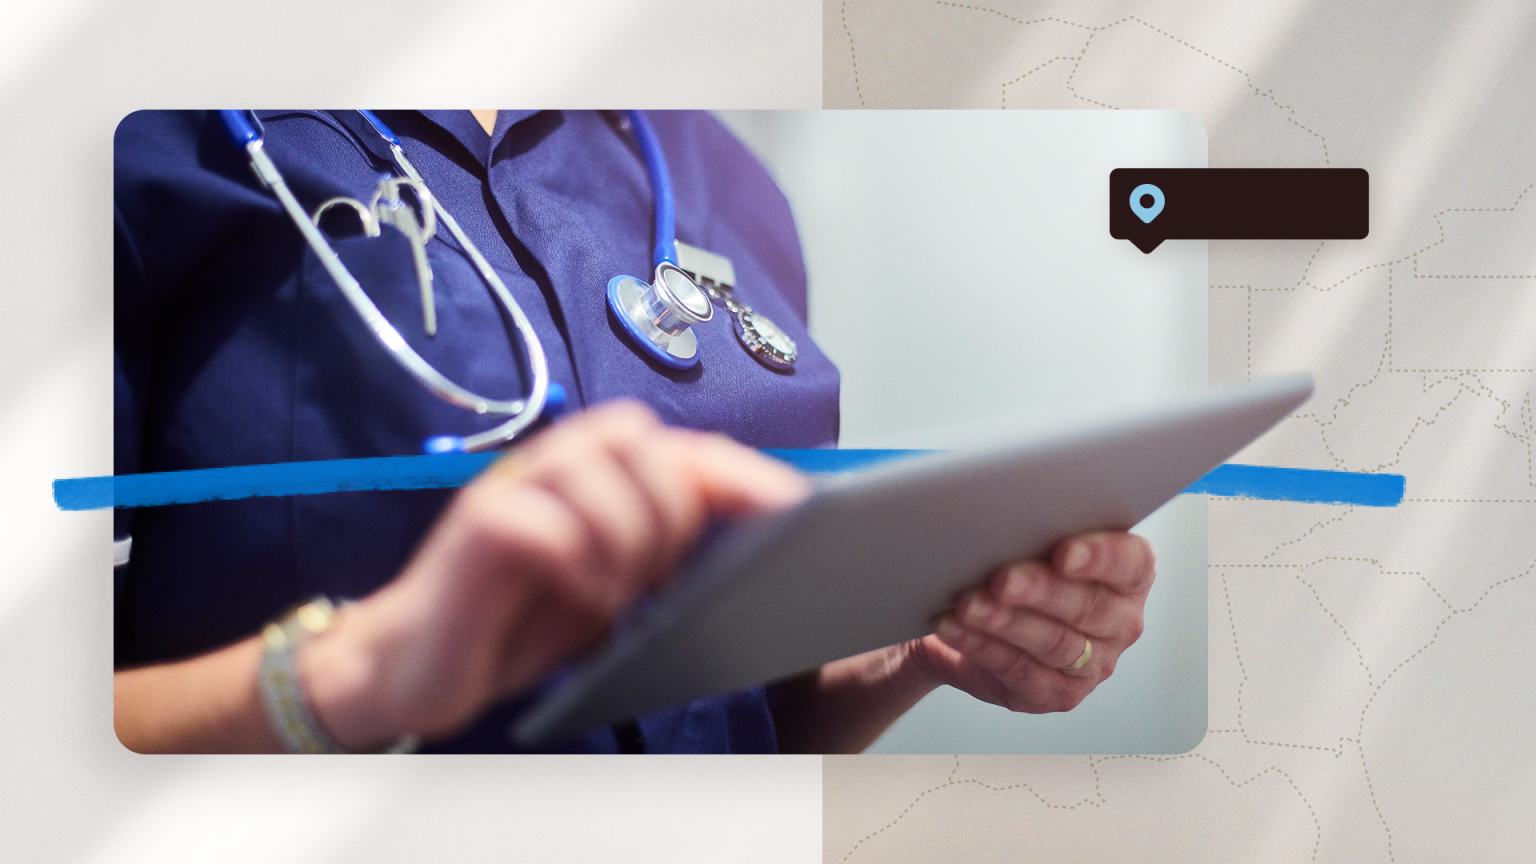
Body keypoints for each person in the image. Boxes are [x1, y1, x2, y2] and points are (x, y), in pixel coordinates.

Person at [112, 109, 1155, 754]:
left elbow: (737, 722)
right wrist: (355, 677)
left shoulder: (718, 169)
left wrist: (919, 654)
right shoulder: (141, 134)